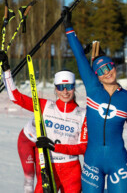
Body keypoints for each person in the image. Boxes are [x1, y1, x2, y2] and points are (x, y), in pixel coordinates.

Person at [62, 8, 127, 193]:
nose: (107, 72)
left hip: (118, 162)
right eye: (101, 70)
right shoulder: (93, 89)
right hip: (93, 162)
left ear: (114, 67)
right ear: (96, 74)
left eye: (109, 67)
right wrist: (68, 27)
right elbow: (80, 57)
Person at [0, 51, 87, 193]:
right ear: (55, 89)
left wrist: (55, 147)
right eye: (60, 87)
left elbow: (82, 148)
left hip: (71, 171)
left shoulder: (82, 114)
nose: (65, 92)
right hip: (48, 167)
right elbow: (16, 98)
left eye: (69, 87)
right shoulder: (46, 106)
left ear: (74, 88)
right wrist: (6, 71)